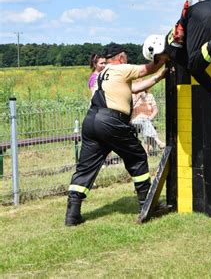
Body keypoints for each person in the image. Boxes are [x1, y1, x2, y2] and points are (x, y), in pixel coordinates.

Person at [65, 43, 168, 226]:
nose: (127, 59)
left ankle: (72, 215)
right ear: (120, 57)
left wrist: (159, 78)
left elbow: (133, 89)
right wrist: (163, 58)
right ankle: (147, 204)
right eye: (125, 57)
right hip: (111, 121)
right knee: (137, 157)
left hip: (91, 122)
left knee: (85, 168)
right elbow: (149, 68)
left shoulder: (101, 74)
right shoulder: (122, 68)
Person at [131, 86, 166, 154]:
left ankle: (146, 152)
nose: (140, 90)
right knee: (145, 122)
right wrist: (138, 97)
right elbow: (129, 108)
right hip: (135, 120)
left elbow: (155, 110)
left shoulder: (150, 96)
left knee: (146, 124)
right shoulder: (132, 96)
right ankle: (157, 141)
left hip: (147, 120)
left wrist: (150, 118)